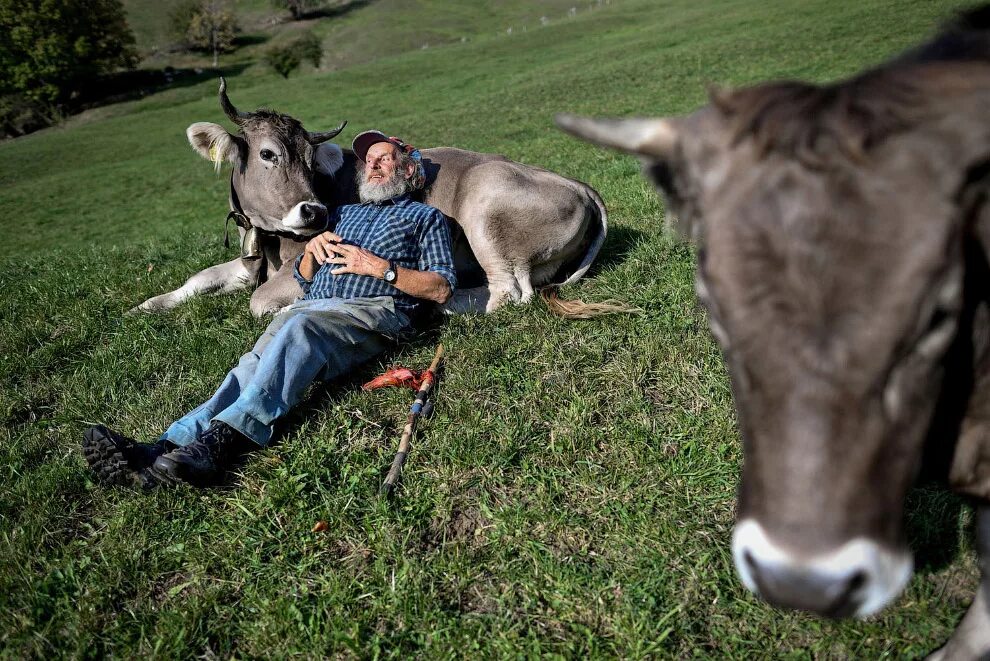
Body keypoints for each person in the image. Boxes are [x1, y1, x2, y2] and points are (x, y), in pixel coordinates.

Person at [82, 131, 456, 488]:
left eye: (383, 159)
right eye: (368, 161)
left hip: (373, 312)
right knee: (250, 365)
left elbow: (440, 288)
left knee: (300, 328)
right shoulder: (342, 214)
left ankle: (224, 441)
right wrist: (310, 255)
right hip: (313, 307)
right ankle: (164, 447)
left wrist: (380, 268)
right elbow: (304, 279)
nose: (371, 166)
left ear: (408, 169)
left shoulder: (426, 219)